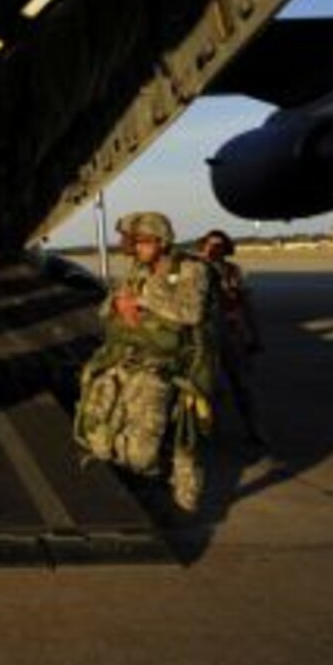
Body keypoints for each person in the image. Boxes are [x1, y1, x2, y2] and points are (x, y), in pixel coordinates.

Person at [74, 211, 217, 514]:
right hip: (130, 357)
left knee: (180, 440)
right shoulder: (137, 269)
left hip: (173, 365)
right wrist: (118, 303)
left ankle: (184, 500)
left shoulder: (190, 269)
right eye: (132, 242)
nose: (135, 248)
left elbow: (191, 312)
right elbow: (107, 306)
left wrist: (141, 300)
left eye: (141, 242)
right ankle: (129, 478)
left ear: (160, 241)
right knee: (103, 415)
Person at [197, 228, 268, 452]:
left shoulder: (233, 272)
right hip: (206, 334)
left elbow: (246, 305)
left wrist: (255, 336)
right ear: (203, 247)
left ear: (227, 248)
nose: (214, 248)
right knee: (210, 388)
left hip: (232, 333)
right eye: (210, 244)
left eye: (219, 244)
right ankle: (211, 434)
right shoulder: (196, 271)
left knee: (243, 387)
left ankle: (255, 430)